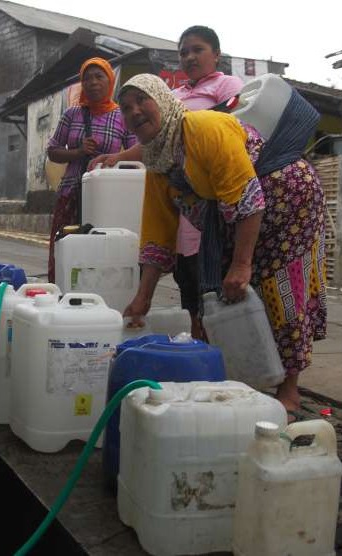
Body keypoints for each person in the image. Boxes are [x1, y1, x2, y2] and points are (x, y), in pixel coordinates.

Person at [118, 73, 326, 417]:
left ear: (164, 100)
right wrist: (143, 298)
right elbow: (158, 234)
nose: (135, 111)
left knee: (279, 288)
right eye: (126, 108)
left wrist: (241, 265)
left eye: (143, 100)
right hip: (241, 214)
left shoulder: (202, 128)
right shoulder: (157, 162)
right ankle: (250, 378)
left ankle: (289, 390)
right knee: (228, 298)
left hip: (287, 196)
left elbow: (246, 196)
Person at [91, 26, 243, 338]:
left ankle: (232, 357)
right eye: (184, 52)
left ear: (216, 54)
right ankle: (202, 352)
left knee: (227, 295)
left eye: (197, 50)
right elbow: (155, 142)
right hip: (188, 205)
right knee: (192, 288)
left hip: (227, 197)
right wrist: (118, 156)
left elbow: (231, 136)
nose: (189, 57)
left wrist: (242, 263)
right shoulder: (174, 99)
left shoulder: (225, 91)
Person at [45, 57, 136, 282]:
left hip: (106, 197)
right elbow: (53, 151)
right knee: (64, 247)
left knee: (100, 250)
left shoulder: (122, 116)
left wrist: (115, 160)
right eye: (87, 78)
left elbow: (136, 153)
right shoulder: (72, 114)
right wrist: (77, 152)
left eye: (99, 76)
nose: (93, 82)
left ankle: (99, 295)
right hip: (70, 194)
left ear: (110, 80)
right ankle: (61, 292)